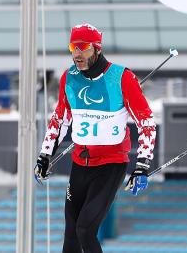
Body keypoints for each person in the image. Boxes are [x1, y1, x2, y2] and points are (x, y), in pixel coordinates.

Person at [34, 23, 157, 253]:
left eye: (83, 47)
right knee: (71, 234)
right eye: (73, 47)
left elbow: (146, 122)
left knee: (85, 229)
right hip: (81, 162)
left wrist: (142, 165)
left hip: (110, 165)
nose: (76, 54)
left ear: (97, 48)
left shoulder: (122, 78)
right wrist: (45, 155)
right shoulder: (68, 78)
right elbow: (60, 119)